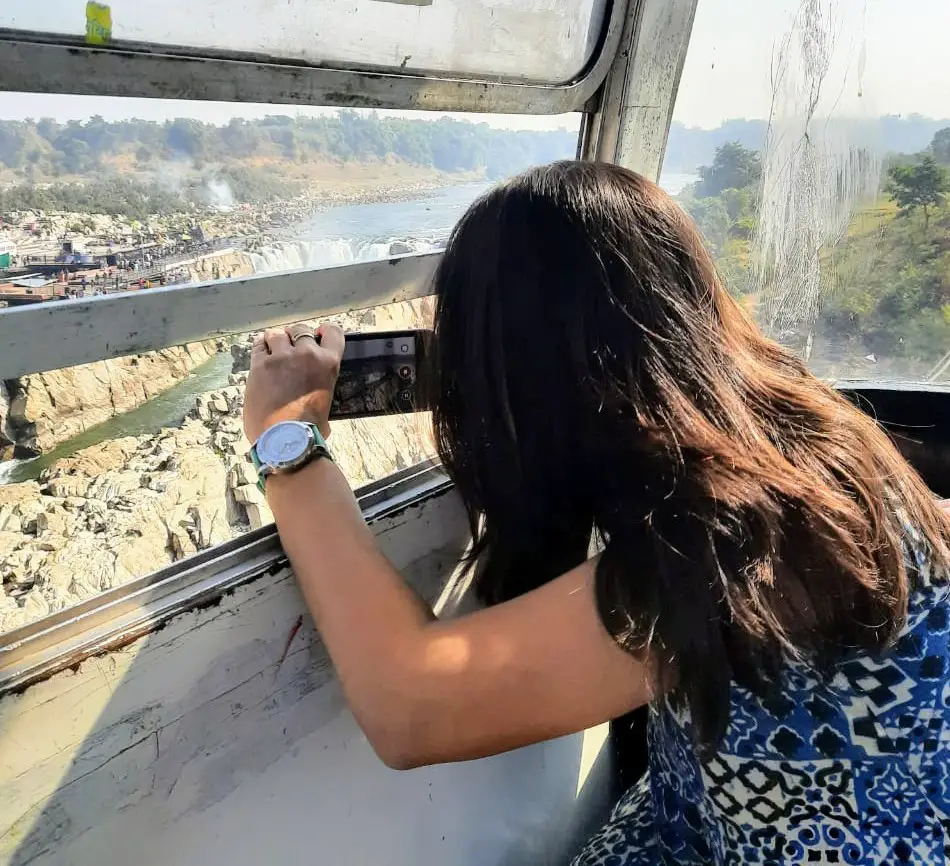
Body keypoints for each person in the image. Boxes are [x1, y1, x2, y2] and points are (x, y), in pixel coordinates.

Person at [242, 161, 950, 864]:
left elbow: (408, 708)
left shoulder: (735, 537)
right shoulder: (795, 433)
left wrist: (288, 439)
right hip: (720, 819)